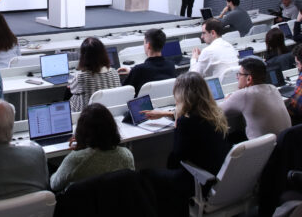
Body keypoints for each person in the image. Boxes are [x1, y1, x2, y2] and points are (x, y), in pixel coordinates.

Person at [142, 73, 232, 217]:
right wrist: (168, 114)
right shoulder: (216, 114)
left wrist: (177, 125)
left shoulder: (185, 122)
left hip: (199, 180)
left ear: (182, 96)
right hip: (218, 174)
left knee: (145, 175)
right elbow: (196, 117)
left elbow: (175, 159)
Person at [50, 103, 135, 192]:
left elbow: (54, 185)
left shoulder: (76, 159)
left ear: (82, 132)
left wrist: (78, 150)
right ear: (112, 127)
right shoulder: (127, 155)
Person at [219, 58, 291, 139]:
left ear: (249, 79)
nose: (237, 77)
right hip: (285, 142)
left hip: (264, 146)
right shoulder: (273, 88)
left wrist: (227, 99)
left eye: (239, 74)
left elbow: (217, 112)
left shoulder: (244, 94)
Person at [69, 37, 121, 112]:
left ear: (83, 56)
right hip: (108, 112)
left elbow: (72, 90)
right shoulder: (114, 72)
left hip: (87, 113)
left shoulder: (81, 77)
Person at [119, 28, 175, 96]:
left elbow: (123, 92)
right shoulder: (171, 66)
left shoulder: (139, 70)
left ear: (148, 45)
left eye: (144, 43)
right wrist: (132, 72)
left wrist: (132, 73)